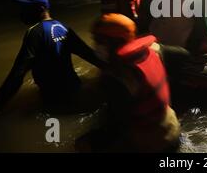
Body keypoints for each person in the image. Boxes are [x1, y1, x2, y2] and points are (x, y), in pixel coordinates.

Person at [0, 0, 105, 123]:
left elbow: (17, 75)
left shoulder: (34, 33)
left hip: (52, 101)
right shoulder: (63, 27)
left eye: (25, 8)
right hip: (75, 90)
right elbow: (90, 55)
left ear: (41, 9)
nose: (21, 12)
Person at [76, 13, 181, 152]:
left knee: (83, 144)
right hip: (173, 128)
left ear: (115, 42)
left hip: (153, 144)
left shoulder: (117, 77)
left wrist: (91, 141)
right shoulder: (153, 49)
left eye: (100, 40)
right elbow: (182, 53)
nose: (96, 45)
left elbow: (116, 126)